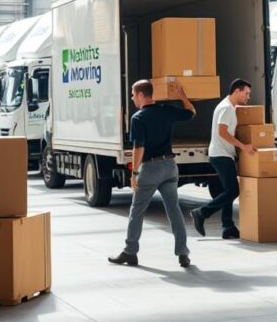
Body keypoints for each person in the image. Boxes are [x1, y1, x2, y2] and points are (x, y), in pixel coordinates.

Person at [109, 80, 195, 268]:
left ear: (141, 95)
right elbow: (191, 113)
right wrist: (182, 96)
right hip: (170, 166)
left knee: (137, 210)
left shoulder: (138, 118)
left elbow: (139, 147)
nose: (132, 98)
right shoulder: (166, 110)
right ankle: (183, 253)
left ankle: (130, 252)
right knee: (174, 210)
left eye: (133, 94)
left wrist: (134, 172)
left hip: (150, 168)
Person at [191, 79, 256, 239]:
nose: (248, 97)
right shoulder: (226, 108)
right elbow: (223, 132)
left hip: (221, 154)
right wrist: (243, 146)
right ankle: (201, 213)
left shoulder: (228, 106)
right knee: (233, 191)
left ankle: (228, 226)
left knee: (228, 191)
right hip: (221, 155)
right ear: (237, 91)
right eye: (246, 93)